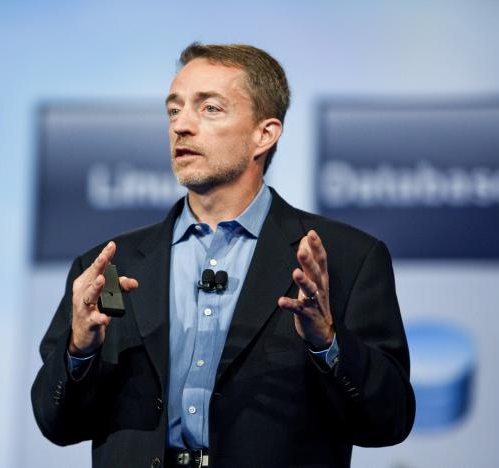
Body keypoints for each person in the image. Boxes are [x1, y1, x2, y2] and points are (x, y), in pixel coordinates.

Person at [31, 42, 415, 468]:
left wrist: (328, 343)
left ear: (264, 135)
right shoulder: (108, 266)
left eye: (209, 109)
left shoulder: (346, 259)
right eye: (174, 111)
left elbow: (390, 421)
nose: (182, 126)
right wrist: (79, 351)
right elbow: (55, 422)